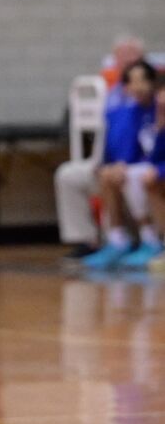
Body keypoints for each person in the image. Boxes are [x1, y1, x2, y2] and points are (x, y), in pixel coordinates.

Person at [81, 60, 160, 271]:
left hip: (155, 165)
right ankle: (117, 240)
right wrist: (117, 165)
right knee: (109, 174)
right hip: (144, 165)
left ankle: (151, 239)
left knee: (135, 175)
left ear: (154, 83)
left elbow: (157, 149)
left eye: (143, 80)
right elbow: (123, 148)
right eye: (133, 82)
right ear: (125, 87)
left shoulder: (159, 107)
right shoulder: (127, 112)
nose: (139, 86)